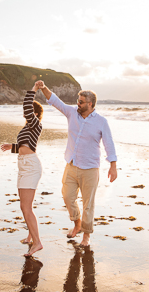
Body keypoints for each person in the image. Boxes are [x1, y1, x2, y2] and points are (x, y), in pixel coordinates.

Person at [36, 81, 117, 247]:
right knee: (67, 196)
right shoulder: (72, 113)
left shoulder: (101, 122)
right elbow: (56, 101)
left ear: (90, 104)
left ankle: (86, 237)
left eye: (80, 102)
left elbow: (109, 143)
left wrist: (113, 165)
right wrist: (44, 88)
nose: (77, 104)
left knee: (88, 204)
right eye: (77, 101)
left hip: (90, 168)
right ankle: (77, 223)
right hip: (71, 164)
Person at [1, 82, 44, 257]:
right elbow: (24, 146)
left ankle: (37, 243)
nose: (25, 114)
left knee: (26, 207)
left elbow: (27, 105)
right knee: (25, 206)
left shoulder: (35, 124)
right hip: (23, 166)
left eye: (28, 112)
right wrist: (11, 146)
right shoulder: (27, 128)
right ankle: (30, 235)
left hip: (31, 167)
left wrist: (34, 89)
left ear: (34, 114)